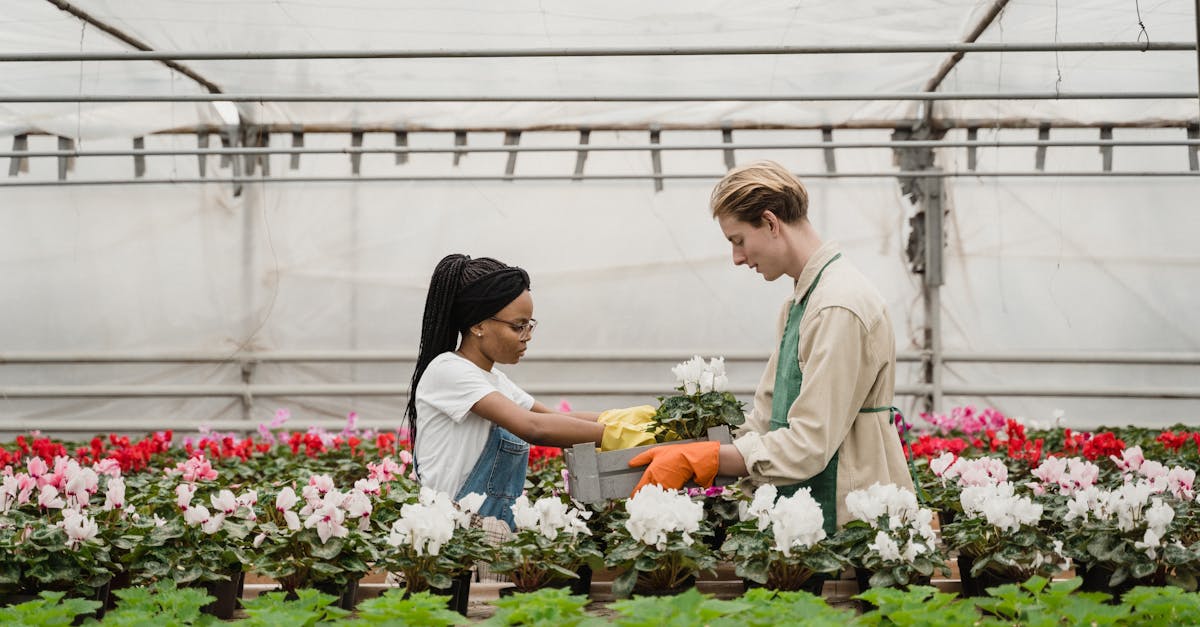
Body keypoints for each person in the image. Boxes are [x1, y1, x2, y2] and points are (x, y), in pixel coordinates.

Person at [630, 161, 914, 536]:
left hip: (851, 519)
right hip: (804, 508)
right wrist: (681, 440)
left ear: (770, 222)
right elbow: (764, 421)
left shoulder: (838, 306)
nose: (737, 258)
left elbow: (810, 444)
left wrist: (706, 458)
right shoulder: (801, 303)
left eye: (738, 240)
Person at [407, 253, 655, 529]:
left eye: (530, 324)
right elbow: (534, 427)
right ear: (478, 325)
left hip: (490, 534)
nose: (528, 335)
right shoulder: (448, 371)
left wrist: (640, 421)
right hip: (451, 535)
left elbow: (552, 418)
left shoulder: (495, 381)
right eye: (518, 326)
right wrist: (621, 436)